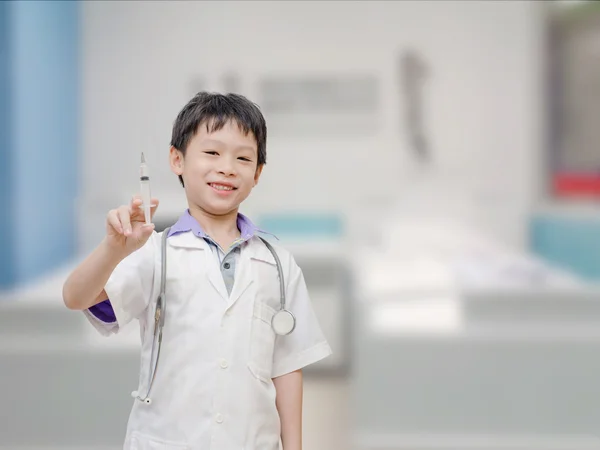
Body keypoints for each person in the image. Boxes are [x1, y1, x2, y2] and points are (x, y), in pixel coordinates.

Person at [62, 92, 332, 450]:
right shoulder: (155, 252)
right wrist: (113, 248)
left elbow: (287, 367)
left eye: (243, 157)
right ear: (177, 159)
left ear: (258, 173)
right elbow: (75, 297)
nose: (227, 167)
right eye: (212, 152)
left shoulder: (278, 264)